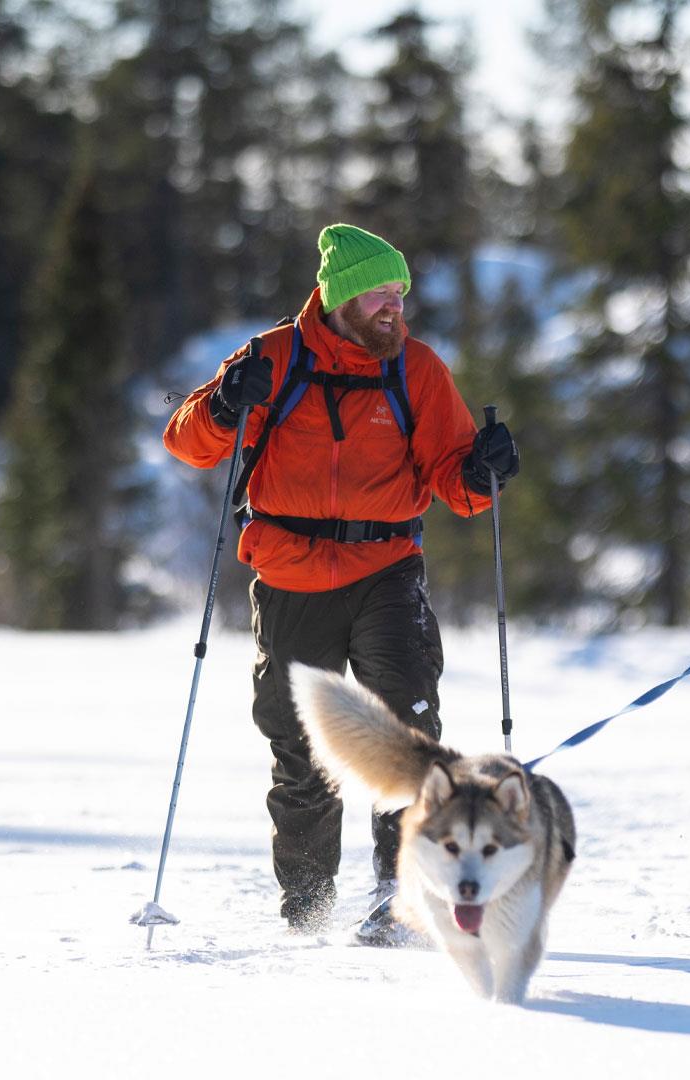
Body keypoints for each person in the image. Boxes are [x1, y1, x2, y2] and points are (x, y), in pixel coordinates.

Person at [163, 223, 519, 944]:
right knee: (301, 749)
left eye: (400, 294)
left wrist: (483, 473)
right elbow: (187, 441)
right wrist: (225, 405)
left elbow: (454, 477)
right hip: (290, 574)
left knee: (408, 734)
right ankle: (308, 910)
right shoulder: (272, 358)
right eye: (380, 294)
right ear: (340, 297)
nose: (395, 307)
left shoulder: (416, 369)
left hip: (387, 568)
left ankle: (401, 898)